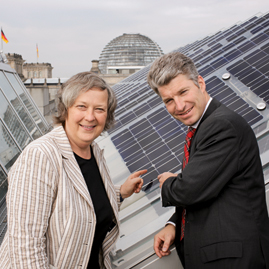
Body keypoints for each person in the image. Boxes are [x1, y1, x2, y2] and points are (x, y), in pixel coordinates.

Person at [0, 72, 147, 269]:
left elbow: (82, 203)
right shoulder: (41, 156)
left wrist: (119, 192)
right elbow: (26, 249)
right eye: (82, 106)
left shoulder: (93, 152)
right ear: (65, 109)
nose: (90, 116)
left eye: (100, 109)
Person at [147, 52, 269, 268]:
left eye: (183, 92)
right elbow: (208, 188)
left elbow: (189, 190)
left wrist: (168, 182)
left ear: (200, 83)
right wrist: (173, 223)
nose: (179, 105)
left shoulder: (220, 126)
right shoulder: (203, 128)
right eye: (169, 100)